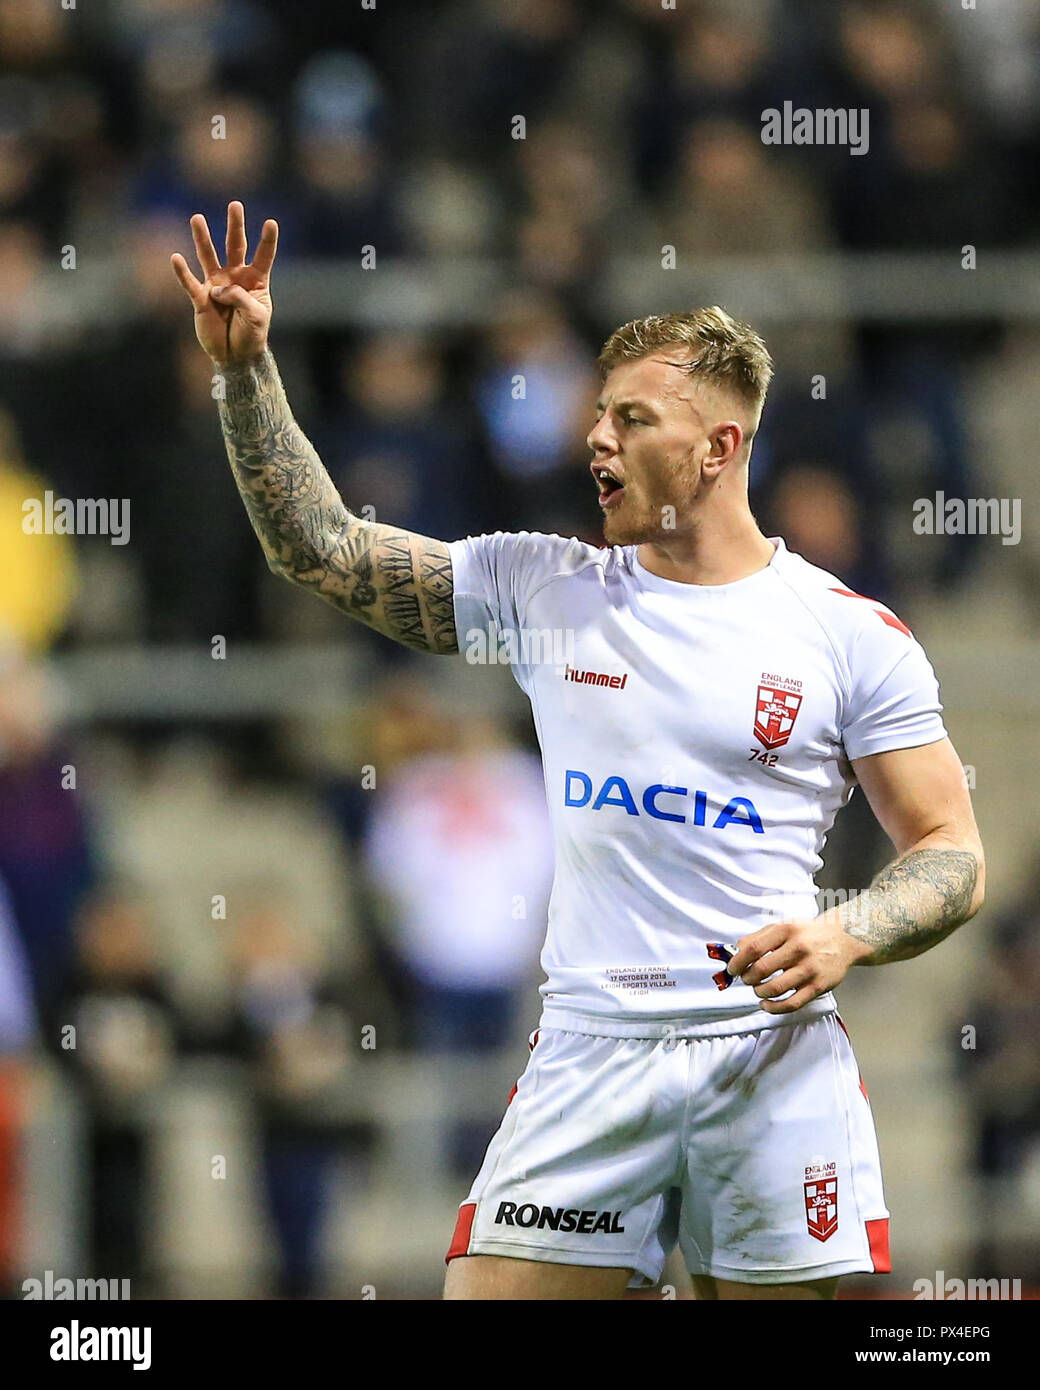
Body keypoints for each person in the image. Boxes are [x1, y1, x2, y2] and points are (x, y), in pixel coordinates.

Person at [171, 203, 985, 1302]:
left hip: (766, 1056)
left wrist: (848, 932)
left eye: (632, 418)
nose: (596, 437)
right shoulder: (546, 588)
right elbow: (317, 547)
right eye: (598, 413)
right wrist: (245, 372)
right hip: (591, 1051)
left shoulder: (845, 634)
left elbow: (949, 849)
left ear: (717, 446)